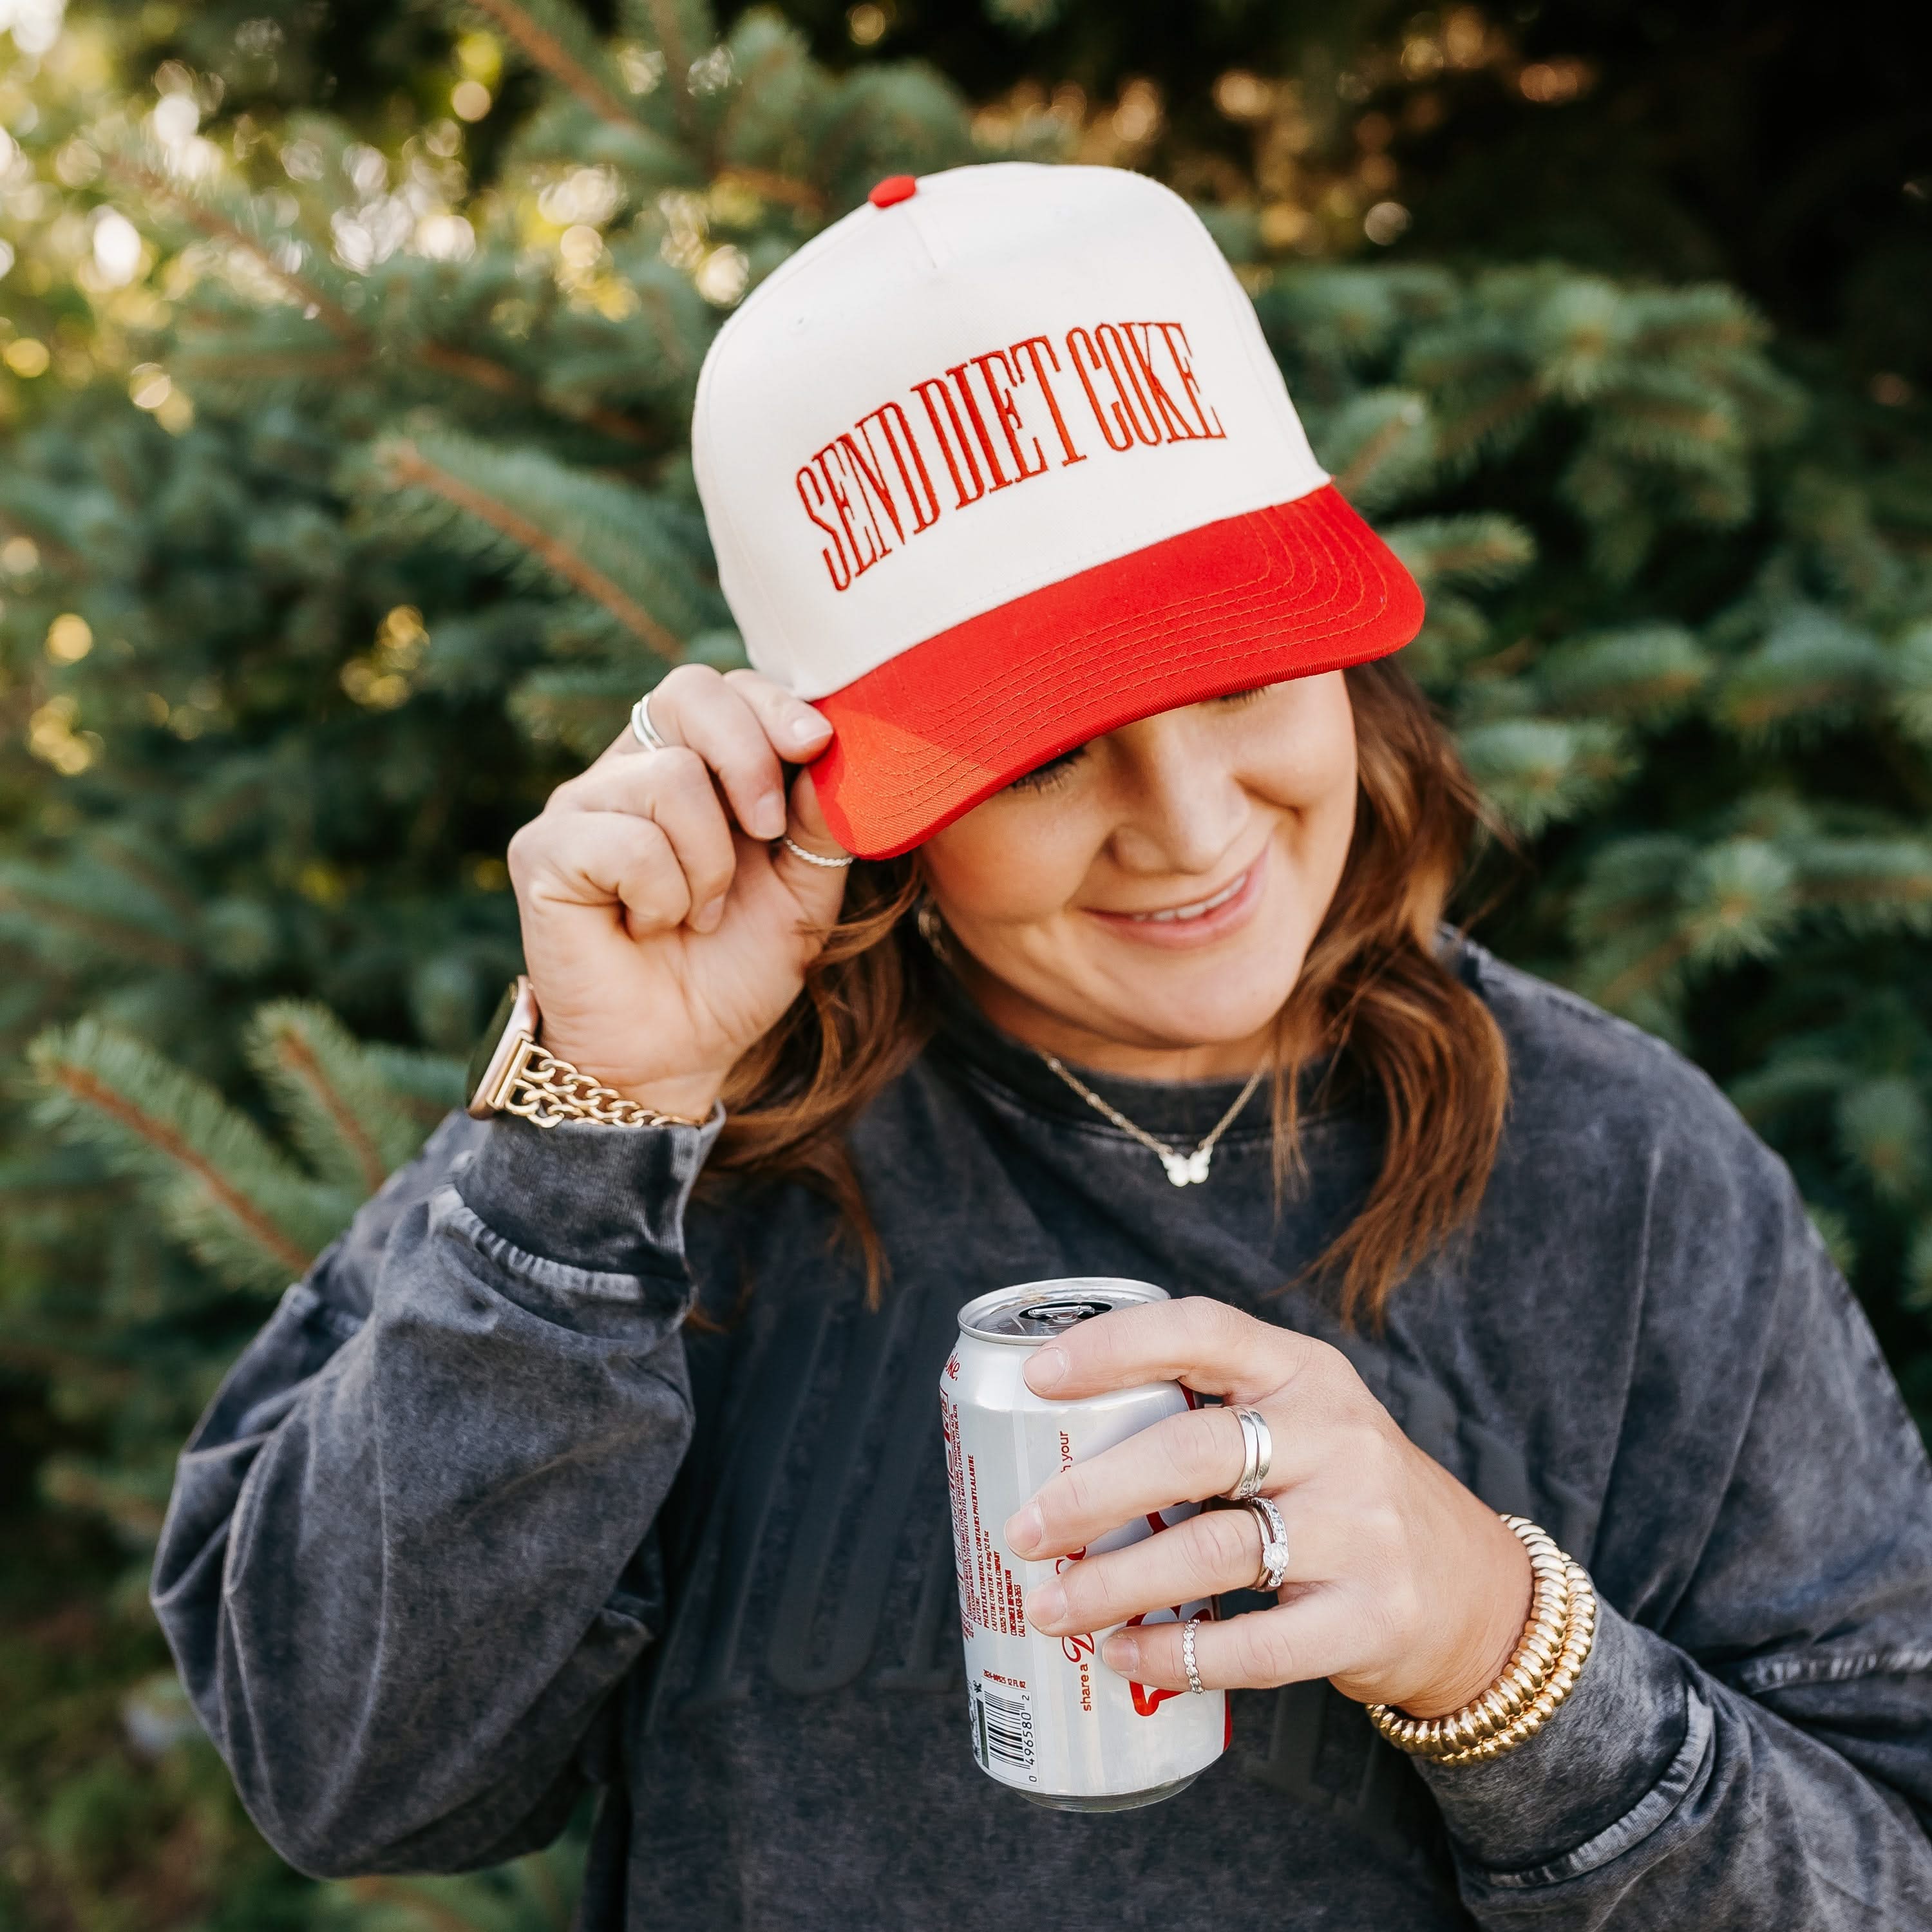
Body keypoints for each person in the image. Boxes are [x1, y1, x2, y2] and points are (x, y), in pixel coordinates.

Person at [153, 164, 1932, 1929]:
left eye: (1237, 669)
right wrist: (592, 1124)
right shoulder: (681, 1134)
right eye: (1043, 748)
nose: (1187, 824)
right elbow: (348, 1770)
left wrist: (1501, 1643)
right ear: (863, 790)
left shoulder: (1630, 1180)